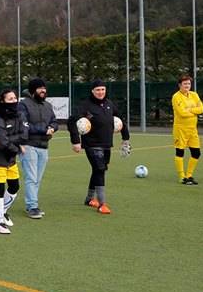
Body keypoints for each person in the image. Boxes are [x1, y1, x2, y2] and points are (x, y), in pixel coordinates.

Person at [67, 80, 130, 214]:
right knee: (99, 169)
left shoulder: (109, 104)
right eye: (98, 90)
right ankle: (102, 204)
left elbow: (120, 120)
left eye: (103, 89)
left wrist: (126, 138)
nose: (101, 92)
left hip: (106, 143)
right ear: (92, 91)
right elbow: (71, 122)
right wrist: (76, 141)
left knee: (99, 170)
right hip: (91, 144)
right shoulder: (85, 106)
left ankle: (89, 199)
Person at [0, 89, 29, 234]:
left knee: (14, 186)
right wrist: (17, 147)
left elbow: (23, 136)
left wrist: (8, 141)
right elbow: (2, 143)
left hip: (10, 157)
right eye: (9, 99)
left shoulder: (20, 115)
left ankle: (3, 211)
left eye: (14, 98)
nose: (13, 101)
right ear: (3, 101)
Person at [18, 77, 58, 218]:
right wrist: (43, 130)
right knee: (31, 177)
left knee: (37, 178)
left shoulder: (47, 105)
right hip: (29, 146)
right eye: (40, 88)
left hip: (44, 146)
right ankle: (32, 206)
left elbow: (54, 121)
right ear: (33, 90)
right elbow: (24, 124)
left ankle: (32, 204)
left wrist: (52, 128)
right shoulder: (23, 105)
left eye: (44, 88)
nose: (43, 90)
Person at [171, 74, 203, 185]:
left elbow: (201, 109)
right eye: (185, 83)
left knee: (196, 153)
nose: (187, 85)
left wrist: (189, 109)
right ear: (180, 85)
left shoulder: (194, 95)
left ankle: (189, 175)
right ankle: (182, 176)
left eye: (189, 83)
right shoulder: (176, 97)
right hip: (180, 129)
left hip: (193, 130)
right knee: (180, 152)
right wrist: (194, 110)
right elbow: (182, 113)